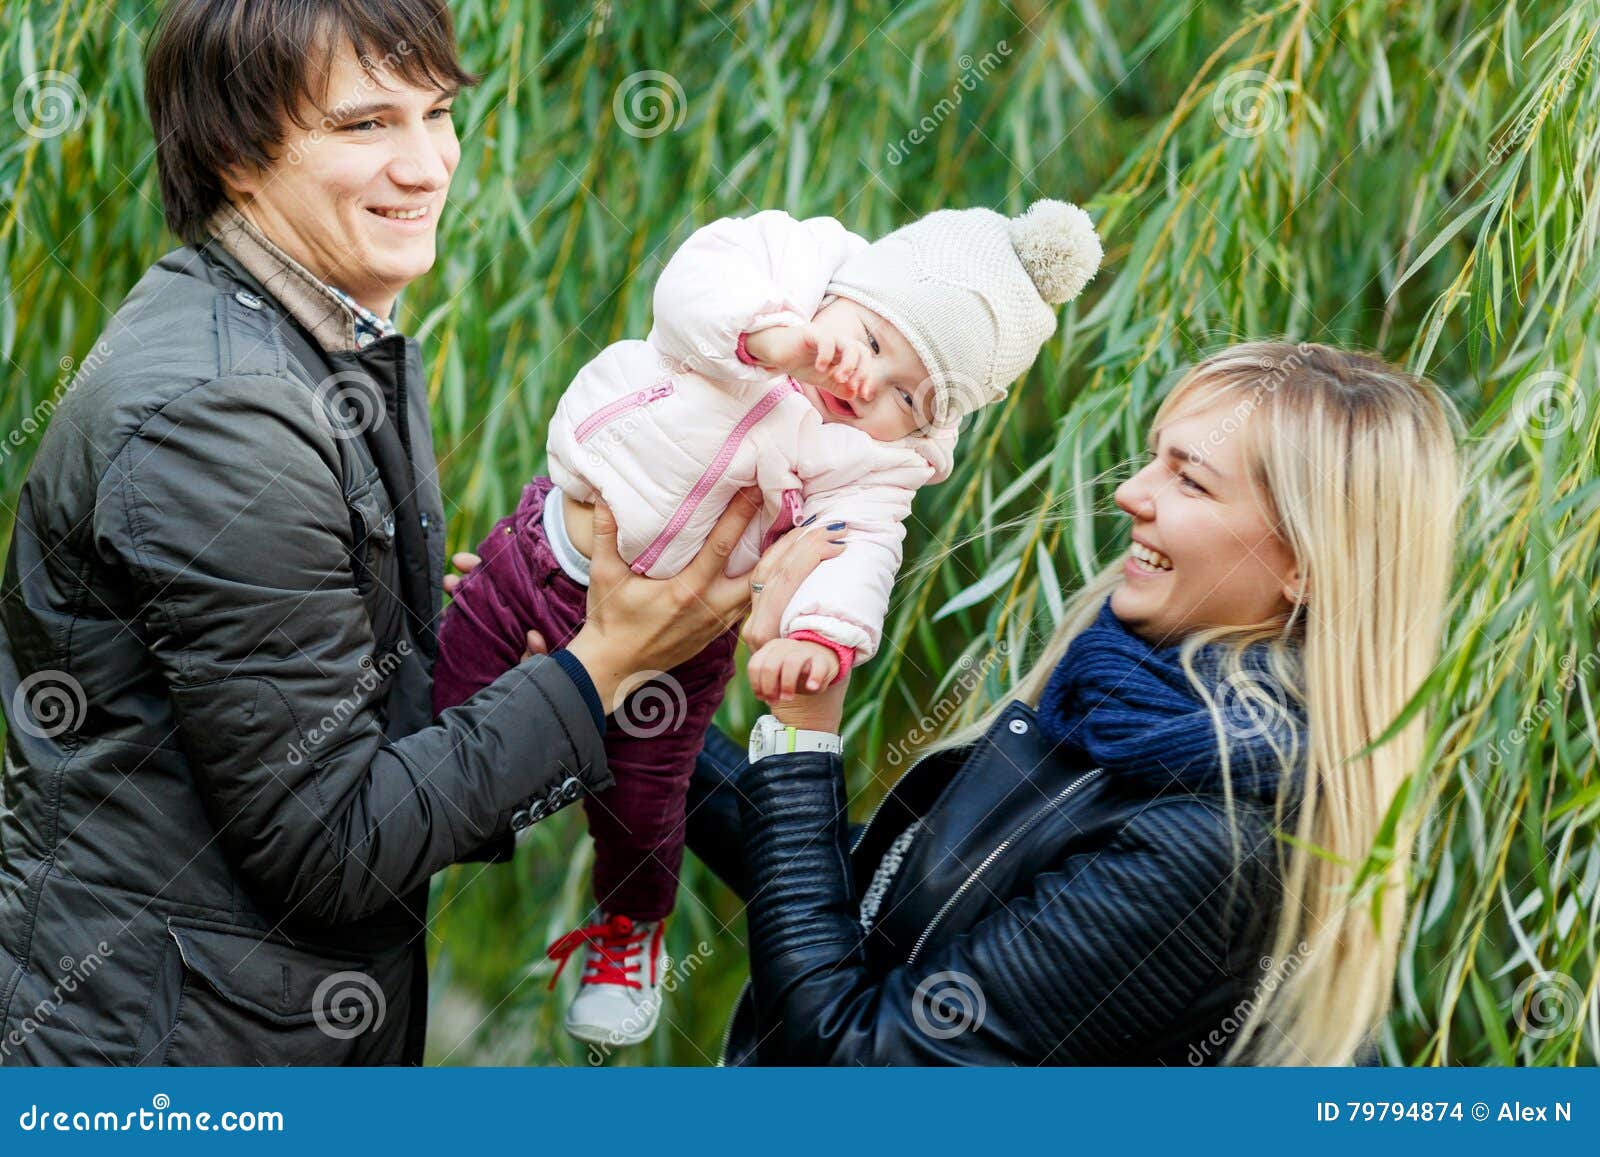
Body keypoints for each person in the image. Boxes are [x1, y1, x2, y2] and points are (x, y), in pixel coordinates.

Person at [0, 0, 754, 1066]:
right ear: (236, 151)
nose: (428, 164)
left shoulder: (320, 333)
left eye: (438, 113)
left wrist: (521, 668)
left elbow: (334, 739)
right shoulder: (223, 418)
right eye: (365, 126)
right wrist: (607, 664)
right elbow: (332, 845)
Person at [429, 200, 1103, 1045]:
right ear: (842, 294)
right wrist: (769, 337)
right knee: (441, 712)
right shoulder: (773, 290)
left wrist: (821, 635)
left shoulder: (868, 462)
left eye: (909, 396)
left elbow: (857, 548)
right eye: (875, 342)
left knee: (647, 803)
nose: (870, 383)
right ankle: (470, 807)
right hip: (548, 550)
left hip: (679, 654)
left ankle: (628, 935)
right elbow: (690, 283)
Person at [687, 341, 1463, 1065]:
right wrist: (627, 695)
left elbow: (856, 1058)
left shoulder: (1209, 838)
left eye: (1189, 479)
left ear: (1307, 565)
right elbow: (889, 900)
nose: (1130, 493)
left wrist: (802, 739)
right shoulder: (1126, 699)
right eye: (1155, 459)